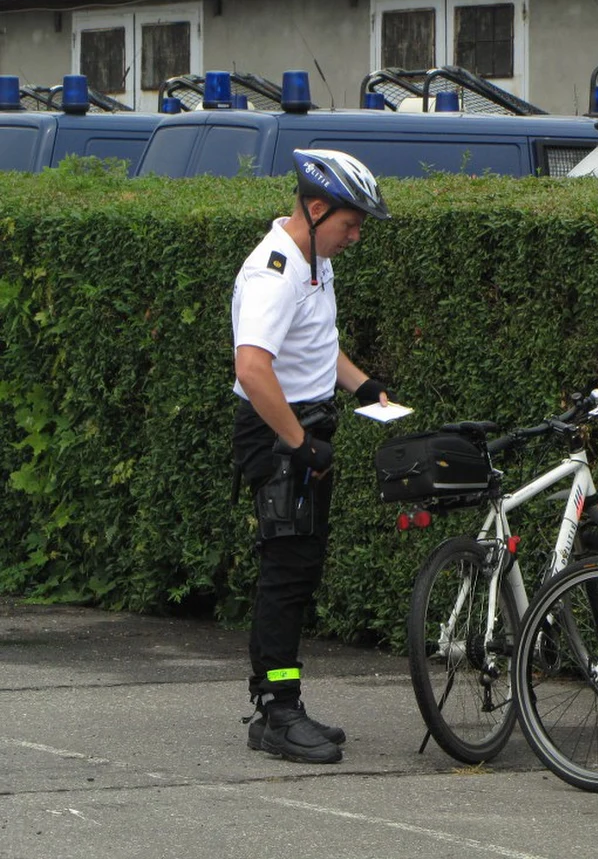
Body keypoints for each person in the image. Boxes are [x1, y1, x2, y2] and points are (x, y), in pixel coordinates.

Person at [231, 148, 392, 764]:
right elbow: (253, 367)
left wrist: (363, 385)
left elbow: (316, 344)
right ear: (317, 208)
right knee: (286, 572)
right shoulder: (274, 272)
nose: (356, 235)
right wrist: (299, 445)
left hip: (304, 428)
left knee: (299, 571)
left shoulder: (312, 261)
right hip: (279, 435)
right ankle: (276, 713)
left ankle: (279, 704)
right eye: (352, 223)